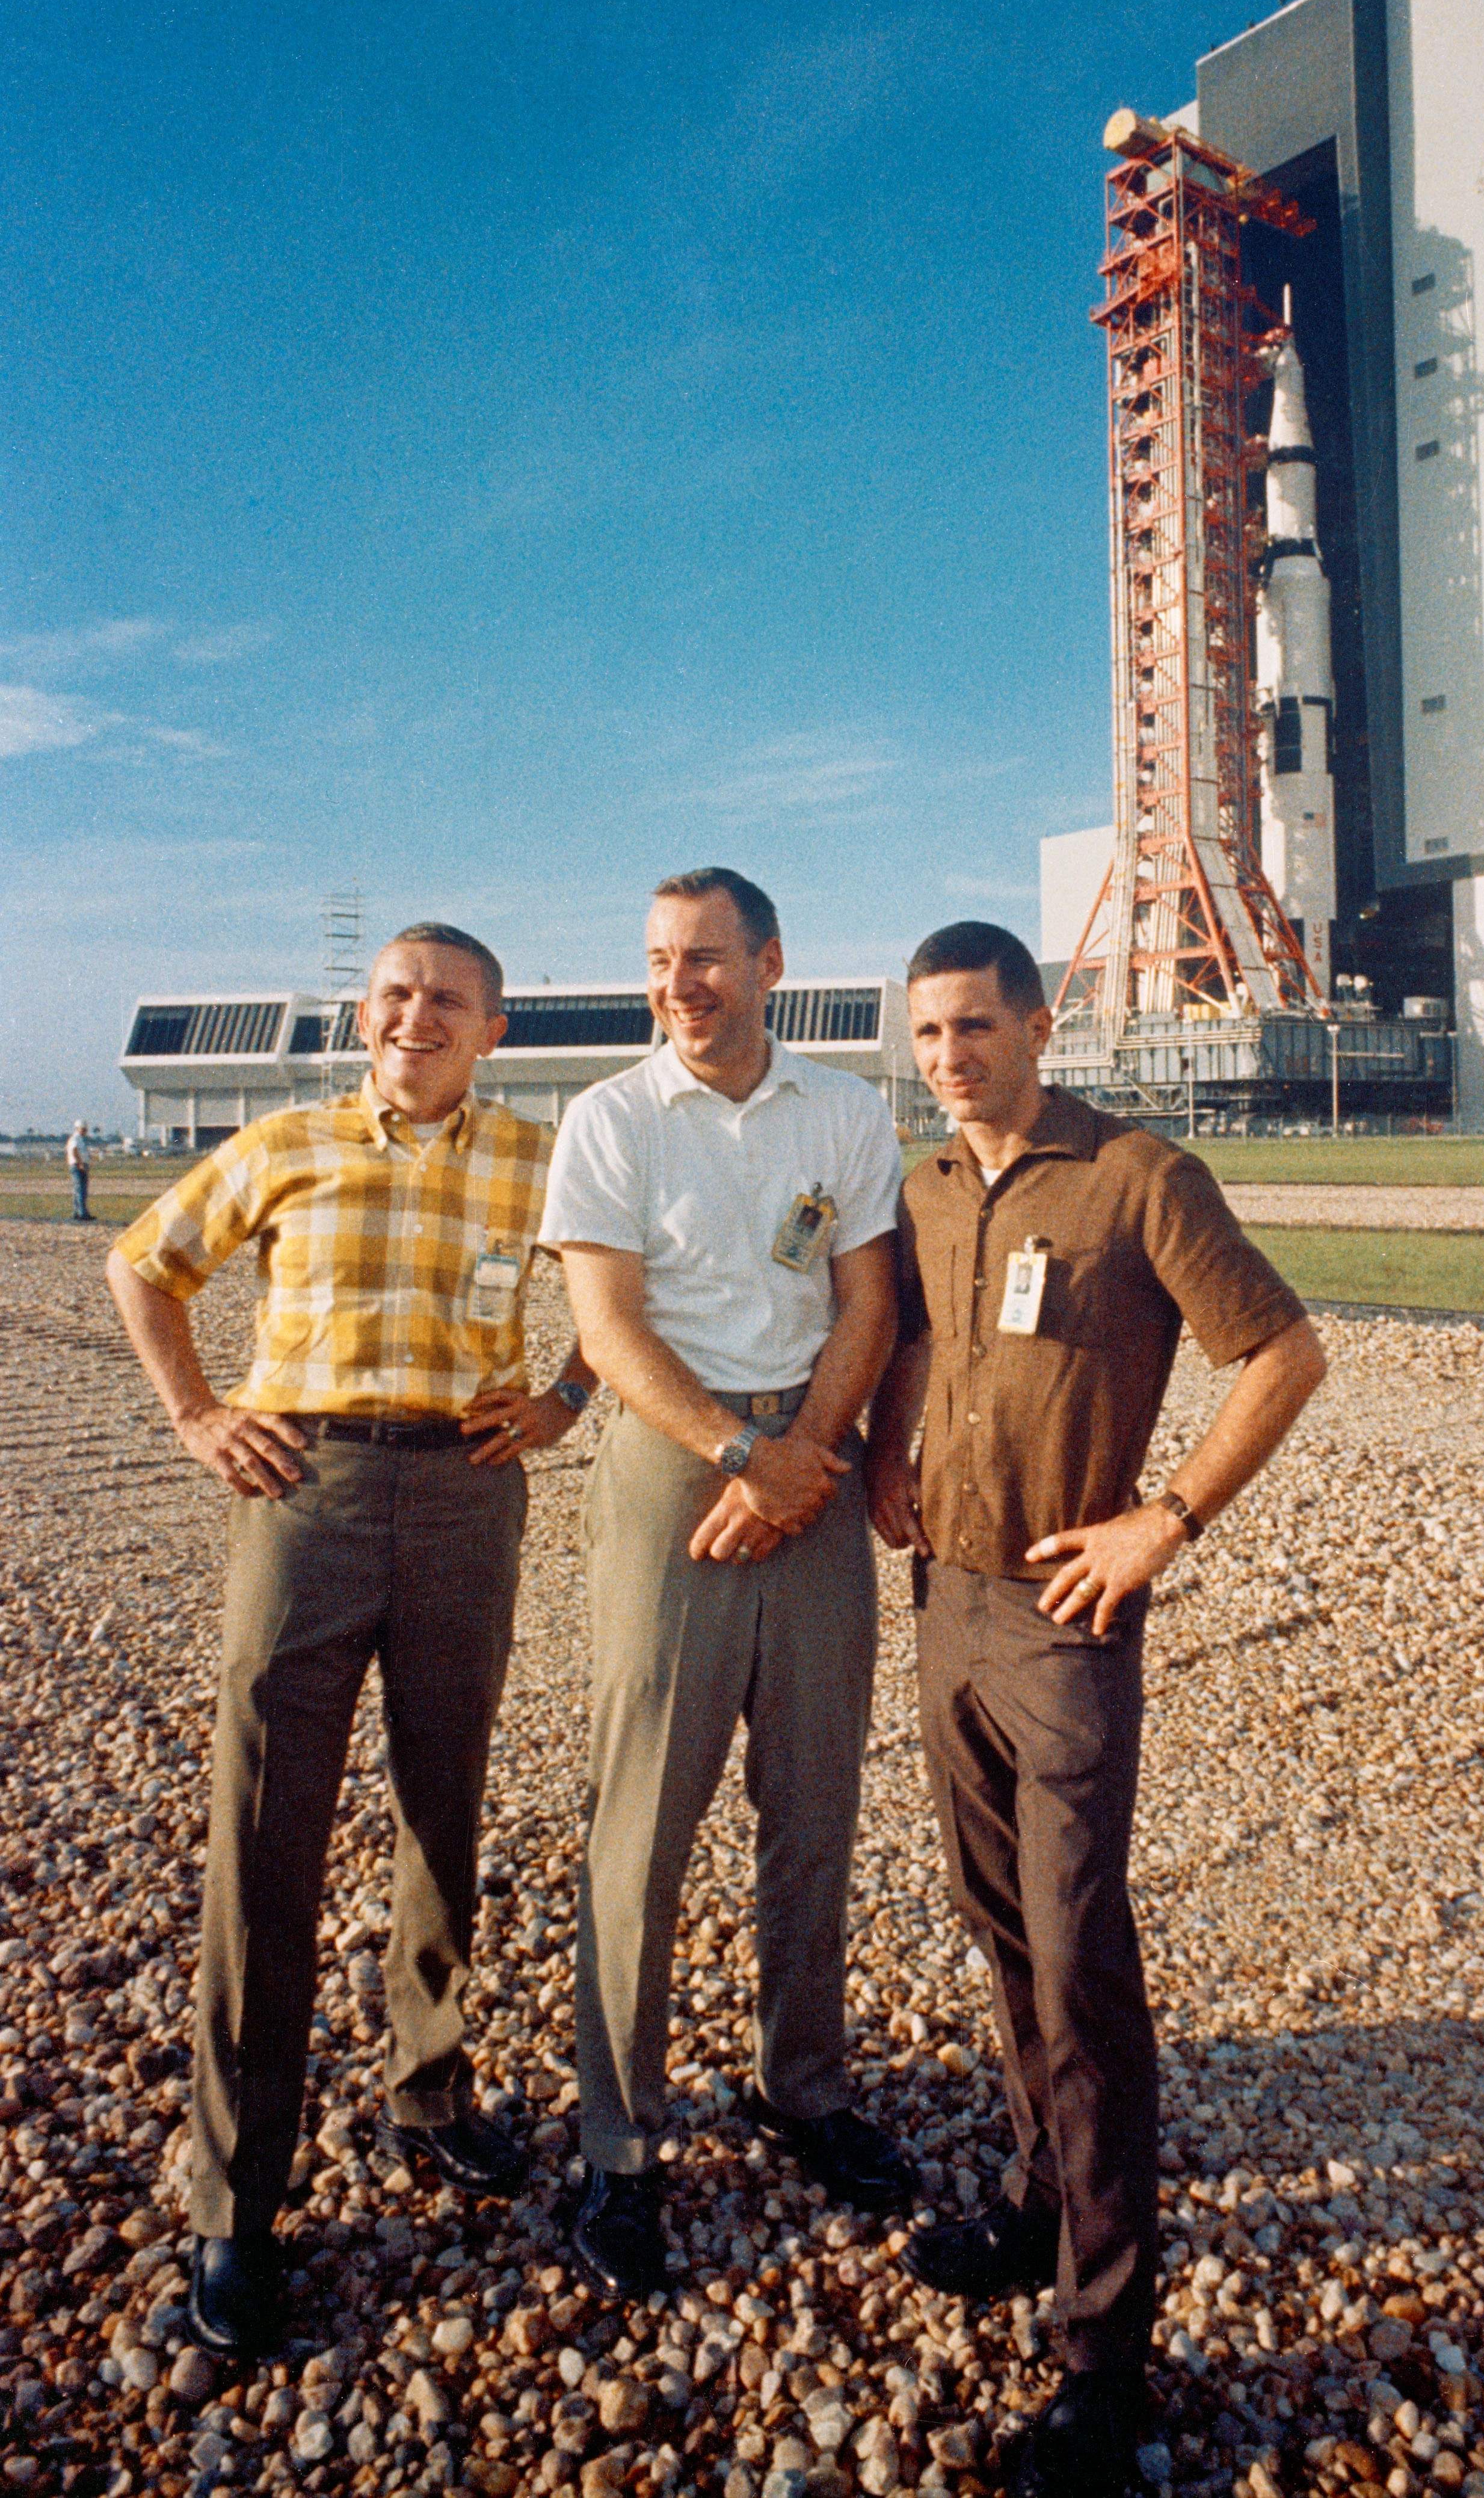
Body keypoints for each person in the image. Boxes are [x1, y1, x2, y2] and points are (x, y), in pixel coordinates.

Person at [867, 922, 1326, 2498]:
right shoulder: (928, 1185)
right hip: (946, 1604)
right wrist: (879, 1452)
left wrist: (1168, 1516)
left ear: (1039, 1022)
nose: (950, 1056)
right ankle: (1035, 2195)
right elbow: (923, 1329)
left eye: (975, 1026)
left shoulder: (1139, 1179)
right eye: (927, 1033)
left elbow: (1282, 1350)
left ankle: (1107, 2360)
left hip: (1070, 1616)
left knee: (1078, 1966)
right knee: (1001, 1931)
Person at [106, 924, 596, 2360]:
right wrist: (198, 1412)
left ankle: (430, 2093)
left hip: (465, 1491)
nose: (414, 1014)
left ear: (493, 1026)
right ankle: (234, 2197)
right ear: (362, 1013)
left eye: (445, 997)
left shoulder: (539, 1156)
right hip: (301, 1489)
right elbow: (150, 1265)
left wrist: (563, 1397)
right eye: (392, 993)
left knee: (442, 1805)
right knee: (266, 1829)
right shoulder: (284, 1140)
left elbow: (635, 1286)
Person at [540, 866, 911, 2298]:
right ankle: (619, 2142)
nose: (676, 983)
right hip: (674, 1452)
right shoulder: (612, 1117)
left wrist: (807, 1451)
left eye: (703, 957)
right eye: (655, 960)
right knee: (639, 1814)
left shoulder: (846, 1107)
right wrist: (735, 1453)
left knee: (811, 1798)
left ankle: (800, 2085)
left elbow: (868, 1296)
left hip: (812, 1450)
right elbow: (606, 1321)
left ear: (768, 961)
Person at [66, 1119, 90, 1223]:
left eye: (86, 1130)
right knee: (81, 1190)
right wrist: (81, 1164)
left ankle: (77, 1212)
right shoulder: (75, 1138)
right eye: (83, 1129)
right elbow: (74, 1151)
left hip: (80, 1165)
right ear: (77, 1129)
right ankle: (82, 1214)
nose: (85, 1131)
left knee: (79, 1190)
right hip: (77, 1166)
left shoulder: (79, 1139)